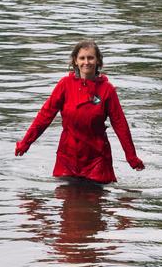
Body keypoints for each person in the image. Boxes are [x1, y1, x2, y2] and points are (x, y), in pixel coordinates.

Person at [15, 39, 144, 183]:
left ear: (97, 61)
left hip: (97, 157)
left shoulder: (107, 90)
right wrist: (26, 142)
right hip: (67, 155)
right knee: (67, 200)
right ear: (75, 61)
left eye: (90, 58)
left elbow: (120, 125)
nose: (86, 62)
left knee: (95, 200)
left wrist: (131, 157)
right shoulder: (65, 85)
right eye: (82, 58)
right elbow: (45, 116)